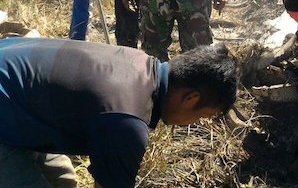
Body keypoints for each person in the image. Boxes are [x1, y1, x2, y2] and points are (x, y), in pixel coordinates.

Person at [0, 37, 238, 188]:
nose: (191, 124)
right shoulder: (127, 121)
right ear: (190, 98)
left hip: (16, 87)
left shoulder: (139, 62)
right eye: (201, 116)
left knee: (63, 181)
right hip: (7, 106)